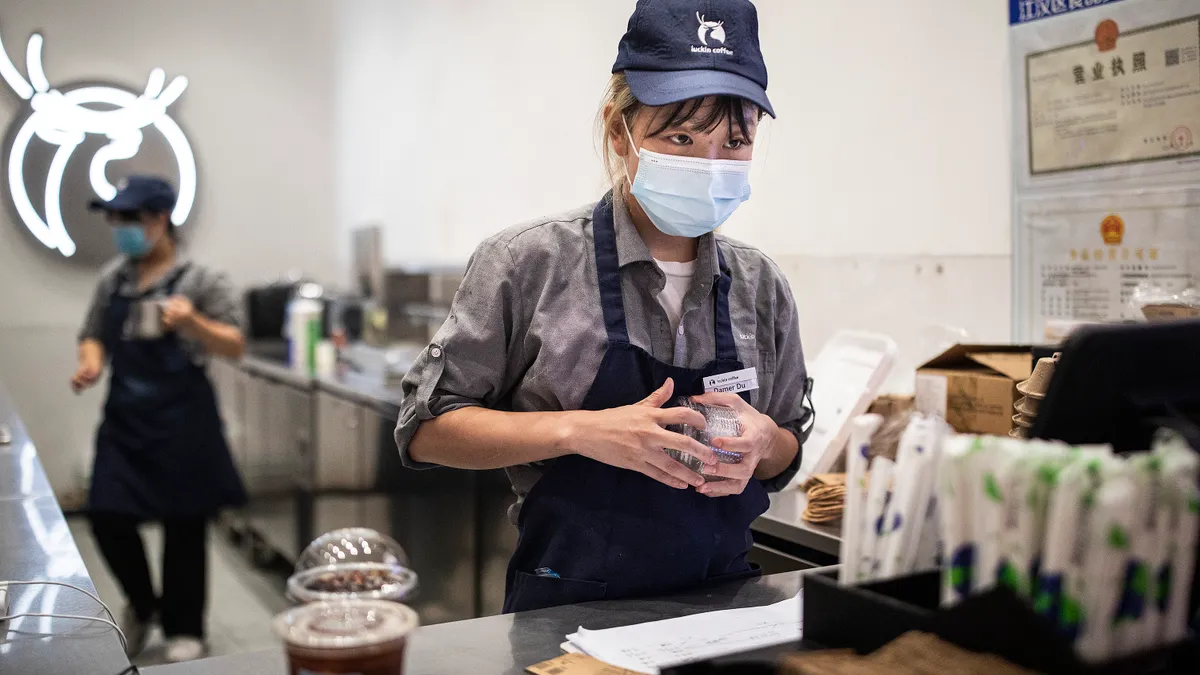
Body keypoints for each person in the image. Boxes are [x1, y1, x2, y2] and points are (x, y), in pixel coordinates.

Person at [396, 0, 812, 613]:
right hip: (566, 610)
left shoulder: (760, 285)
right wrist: (578, 431)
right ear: (620, 131)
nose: (711, 164)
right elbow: (426, 431)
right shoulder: (528, 263)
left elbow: (787, 447)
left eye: (735, 140)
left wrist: (762, 444)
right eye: (681, 136)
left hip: (725, 607)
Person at [72, 176, 247, 662]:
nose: (119, 229)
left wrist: (192, 322)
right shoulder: (114, 280)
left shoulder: (203, 280)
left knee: (184, 525)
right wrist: (90, 361)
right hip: (126, 420)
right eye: (115, 219)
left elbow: (235, 343)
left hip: (184, 421)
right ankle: (144, 604)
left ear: (159, 219)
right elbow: (91, 334)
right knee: (105, 514)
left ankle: (184, 627)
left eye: (128, 219)